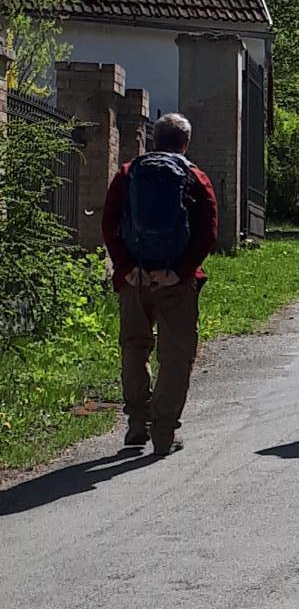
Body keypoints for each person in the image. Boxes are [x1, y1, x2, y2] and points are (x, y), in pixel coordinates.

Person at [101, 113, 218, 456]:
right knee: (175, 355)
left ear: (153, 140)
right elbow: (208, 232)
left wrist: (126, 267)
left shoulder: (128, 173)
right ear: (186, 143)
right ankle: (164, 433)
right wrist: (180, 271)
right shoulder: (195, 176)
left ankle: (137, 424)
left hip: (134, 280)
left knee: (134, 347)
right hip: (175, 282)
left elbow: (109, 223)